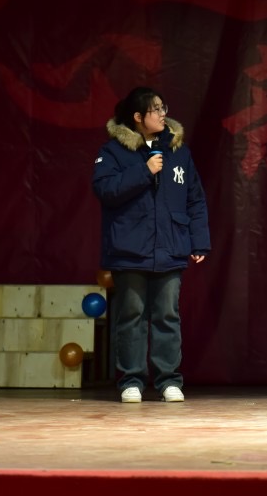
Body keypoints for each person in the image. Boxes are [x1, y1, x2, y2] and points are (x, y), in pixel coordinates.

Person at [92, 87, 211, 404]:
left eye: (163, 107)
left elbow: (195, 199)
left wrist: (199, 241)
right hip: (129, 248)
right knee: (131, 315)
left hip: (170, 246)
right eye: (155, 109)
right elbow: (105, 189)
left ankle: (168, 380)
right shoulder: (114, 151)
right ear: (137, 117)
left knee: (167, 316)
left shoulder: (178, 151)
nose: (162, 114)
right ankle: (131, 380)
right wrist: (144, 171)